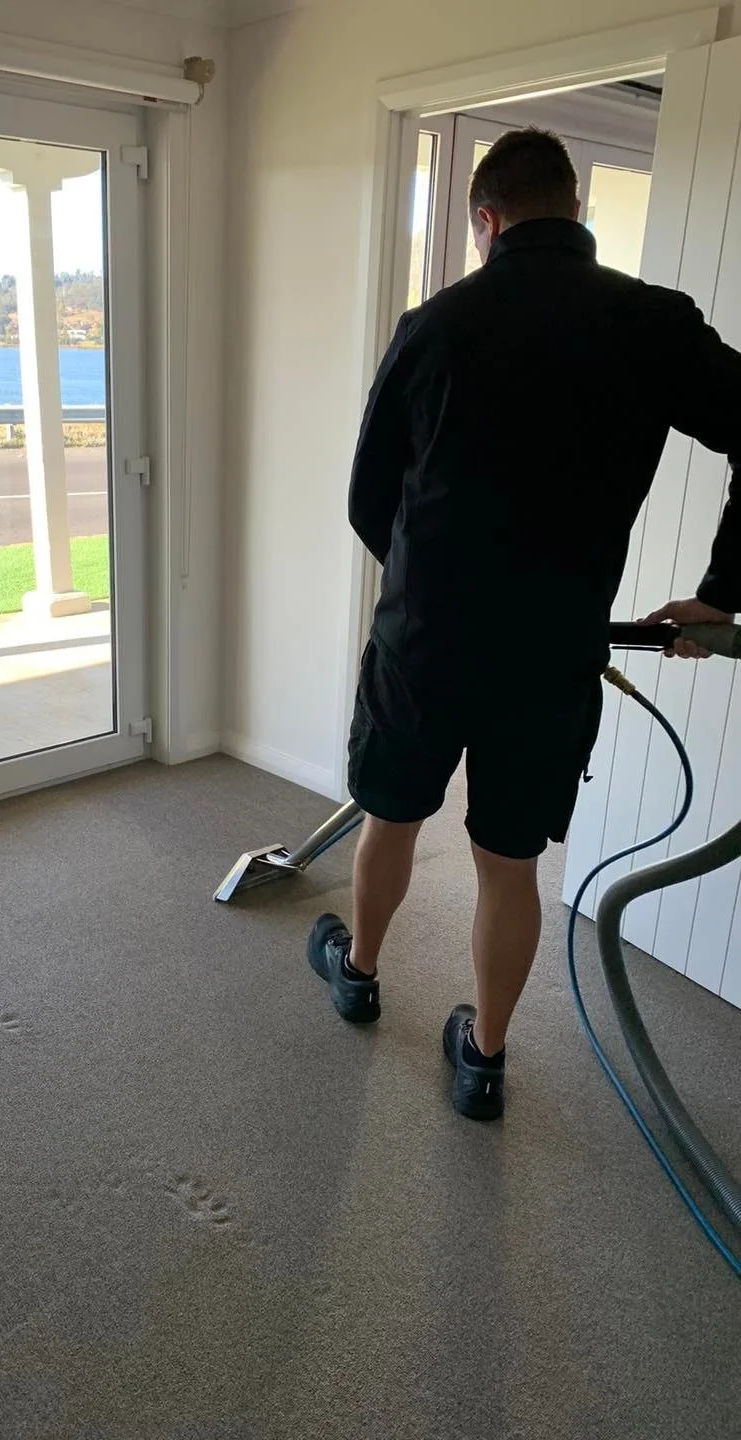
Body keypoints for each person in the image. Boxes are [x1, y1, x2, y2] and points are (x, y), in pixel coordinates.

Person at [307, 127, 741, 1120]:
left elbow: (369, 497)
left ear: (486, 219)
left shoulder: (435, 325)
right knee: (510, 865)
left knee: (391, 818)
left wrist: (426, 581)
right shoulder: (650, 322)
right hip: (552, 652)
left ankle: (360, 974)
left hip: (424, 643)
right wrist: (722, 591)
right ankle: (484, 1059)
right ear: (575, 209)